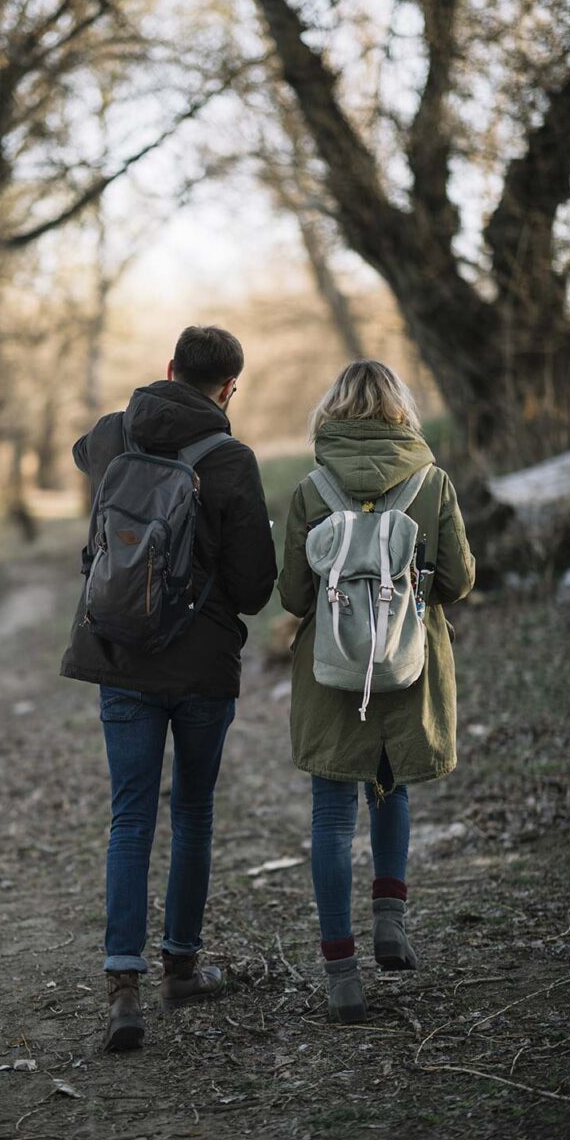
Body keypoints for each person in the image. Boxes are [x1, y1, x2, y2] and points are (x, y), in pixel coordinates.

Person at [61, 325, 277, 1051]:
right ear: (228, 389)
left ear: (168, 369)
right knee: (191, 812)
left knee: (130, 817)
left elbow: (81, 459)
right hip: (202, 668)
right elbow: (252, 590)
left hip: (119, 653)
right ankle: (180, 968)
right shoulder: (231, 459)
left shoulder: (112, 435)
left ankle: (123, 987)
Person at [278, 359, 475, 1022]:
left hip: (333, 674)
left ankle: (341, 972)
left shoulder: (312, 488)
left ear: (333, 412)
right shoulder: (432, 482)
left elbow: (294, 595)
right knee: (391, 790)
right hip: (408, 668)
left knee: (332, 819)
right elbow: (458, 582)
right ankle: (391, 921)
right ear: (400, 411)